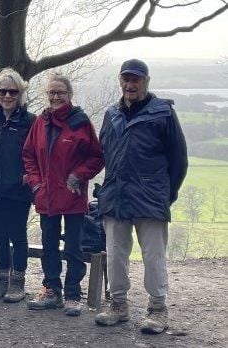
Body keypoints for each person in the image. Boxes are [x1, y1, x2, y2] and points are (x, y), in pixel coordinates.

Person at [95, 59, 187, 334]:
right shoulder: (111, 114)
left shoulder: (163, 113)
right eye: (125, 79)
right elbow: (104, 151)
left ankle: (158, 309)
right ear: (120, 80)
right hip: (115, 196)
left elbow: (178, 160)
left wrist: (165, 195)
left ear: (146, 81)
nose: (130, 84)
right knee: (115, 254)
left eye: (135, 79)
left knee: (153, 256)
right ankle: (118, 305)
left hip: (151, 197)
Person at [23, 72, 104, 316]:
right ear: (46, 95)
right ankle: (51, 290)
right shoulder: (40, 122)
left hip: (72, 196)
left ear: (69, 95)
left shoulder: (80, 122)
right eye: (52, 92)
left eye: (61, 92)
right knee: (48, 245)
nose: (56, 96)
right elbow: (28, 155)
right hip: (46, 196)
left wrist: (78, 175)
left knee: (73, 247)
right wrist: (36, 184)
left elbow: (96, 156)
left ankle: (72, 295)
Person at [0, 68, 35, 302]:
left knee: (18, 235)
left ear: (20, 93)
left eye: (12, 91)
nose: (7, 96)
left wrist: (28, 175)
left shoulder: (30, 121)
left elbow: (36, 152)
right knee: (0, 235)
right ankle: (1, 280)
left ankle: (18, 283)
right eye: (3, 91)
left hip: (19, 188)